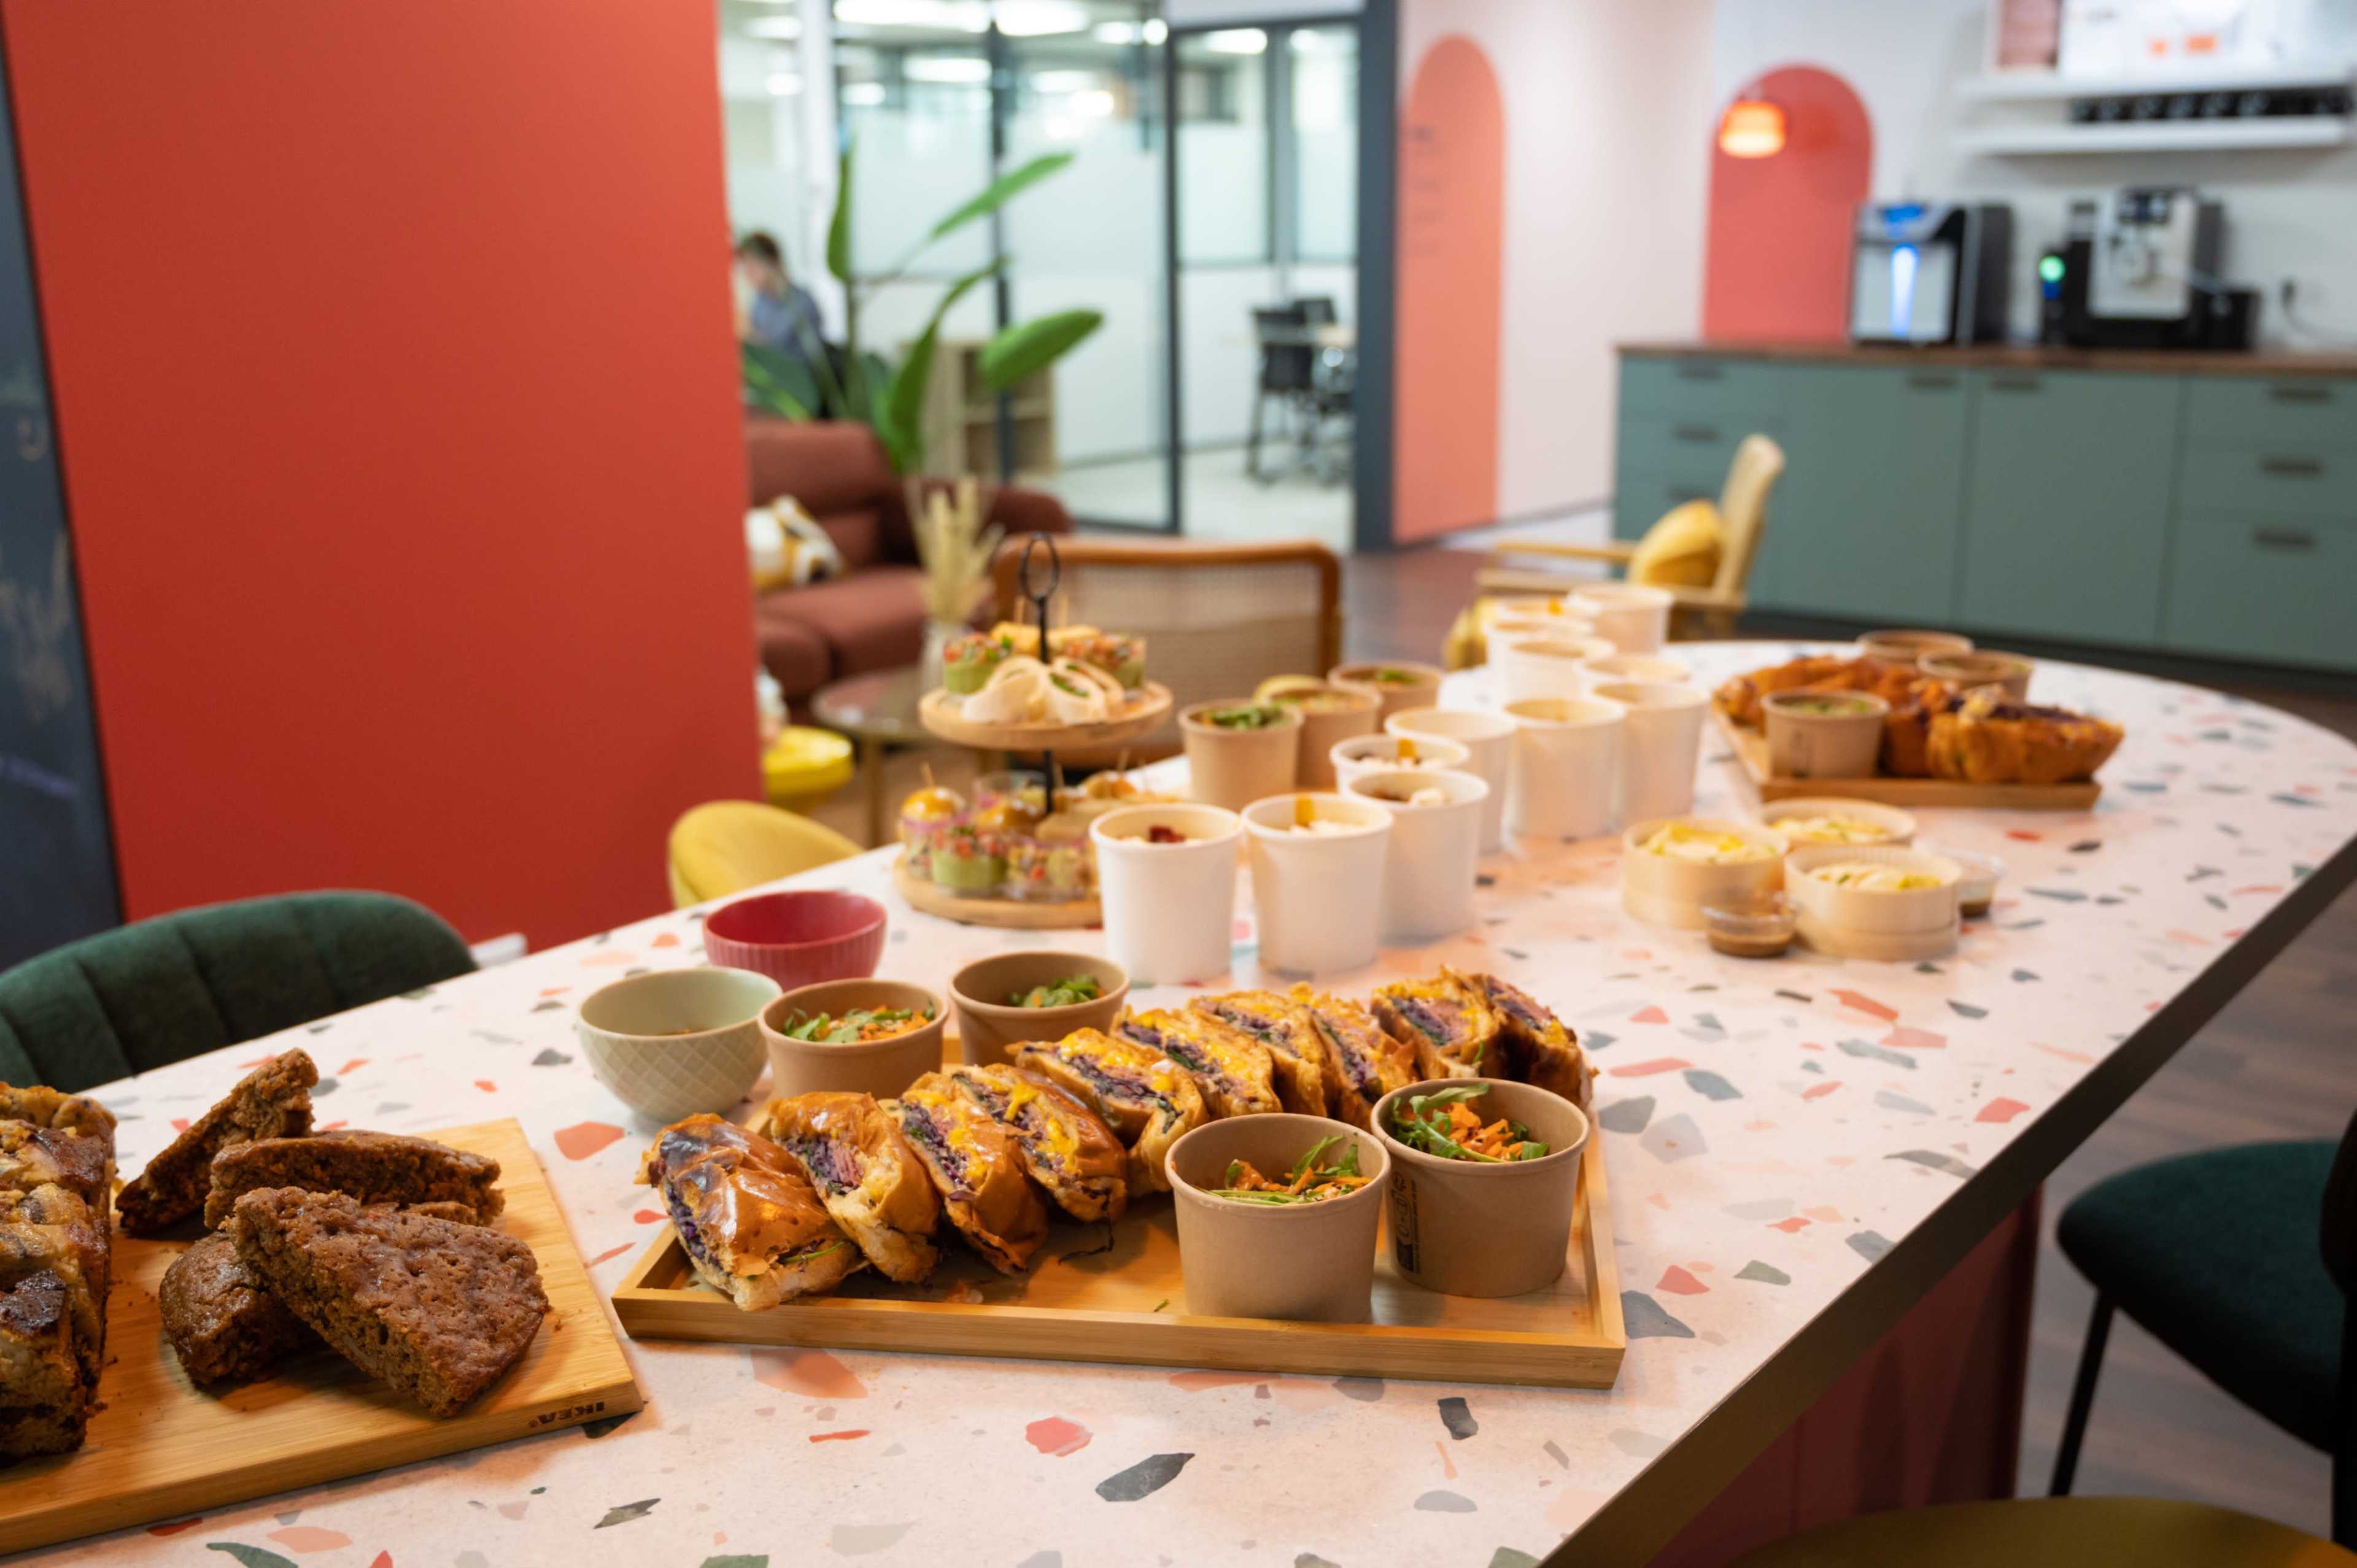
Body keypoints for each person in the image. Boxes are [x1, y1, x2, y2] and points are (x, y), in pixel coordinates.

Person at [733, 231, 823, 364]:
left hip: (800, 378)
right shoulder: (761, 301)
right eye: (745, 267)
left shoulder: (800, 301)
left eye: (752, 265)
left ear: (772, 262)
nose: (748, 273)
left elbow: (773, 349)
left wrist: (745, 329)